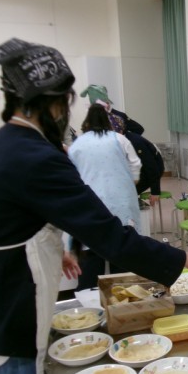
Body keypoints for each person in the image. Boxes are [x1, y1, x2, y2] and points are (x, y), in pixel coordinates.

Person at [0, 38, 188, 374]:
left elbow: (23, 219)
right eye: (65, 102)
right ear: (52, 103)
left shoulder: (7, 143)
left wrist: (58, 247)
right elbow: (111, 237)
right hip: (8, 321)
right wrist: (187, 259)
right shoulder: (34, 155)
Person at [68, 104, 144, 290]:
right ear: (107, 120)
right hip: (121, 204)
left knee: (91, 256)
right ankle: (125, 295)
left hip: (90, 205)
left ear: (86, 121)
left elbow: (70, 173)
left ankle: (88, 297)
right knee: (123, 253)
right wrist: (130, 183)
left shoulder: (77, 144)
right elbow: (136, 165)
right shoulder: (119, 139)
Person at [80, 84, 144, 135]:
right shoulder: (91, 118)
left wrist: (125, 138)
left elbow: (139, 129)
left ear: (107, 103)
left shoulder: (120, 116)